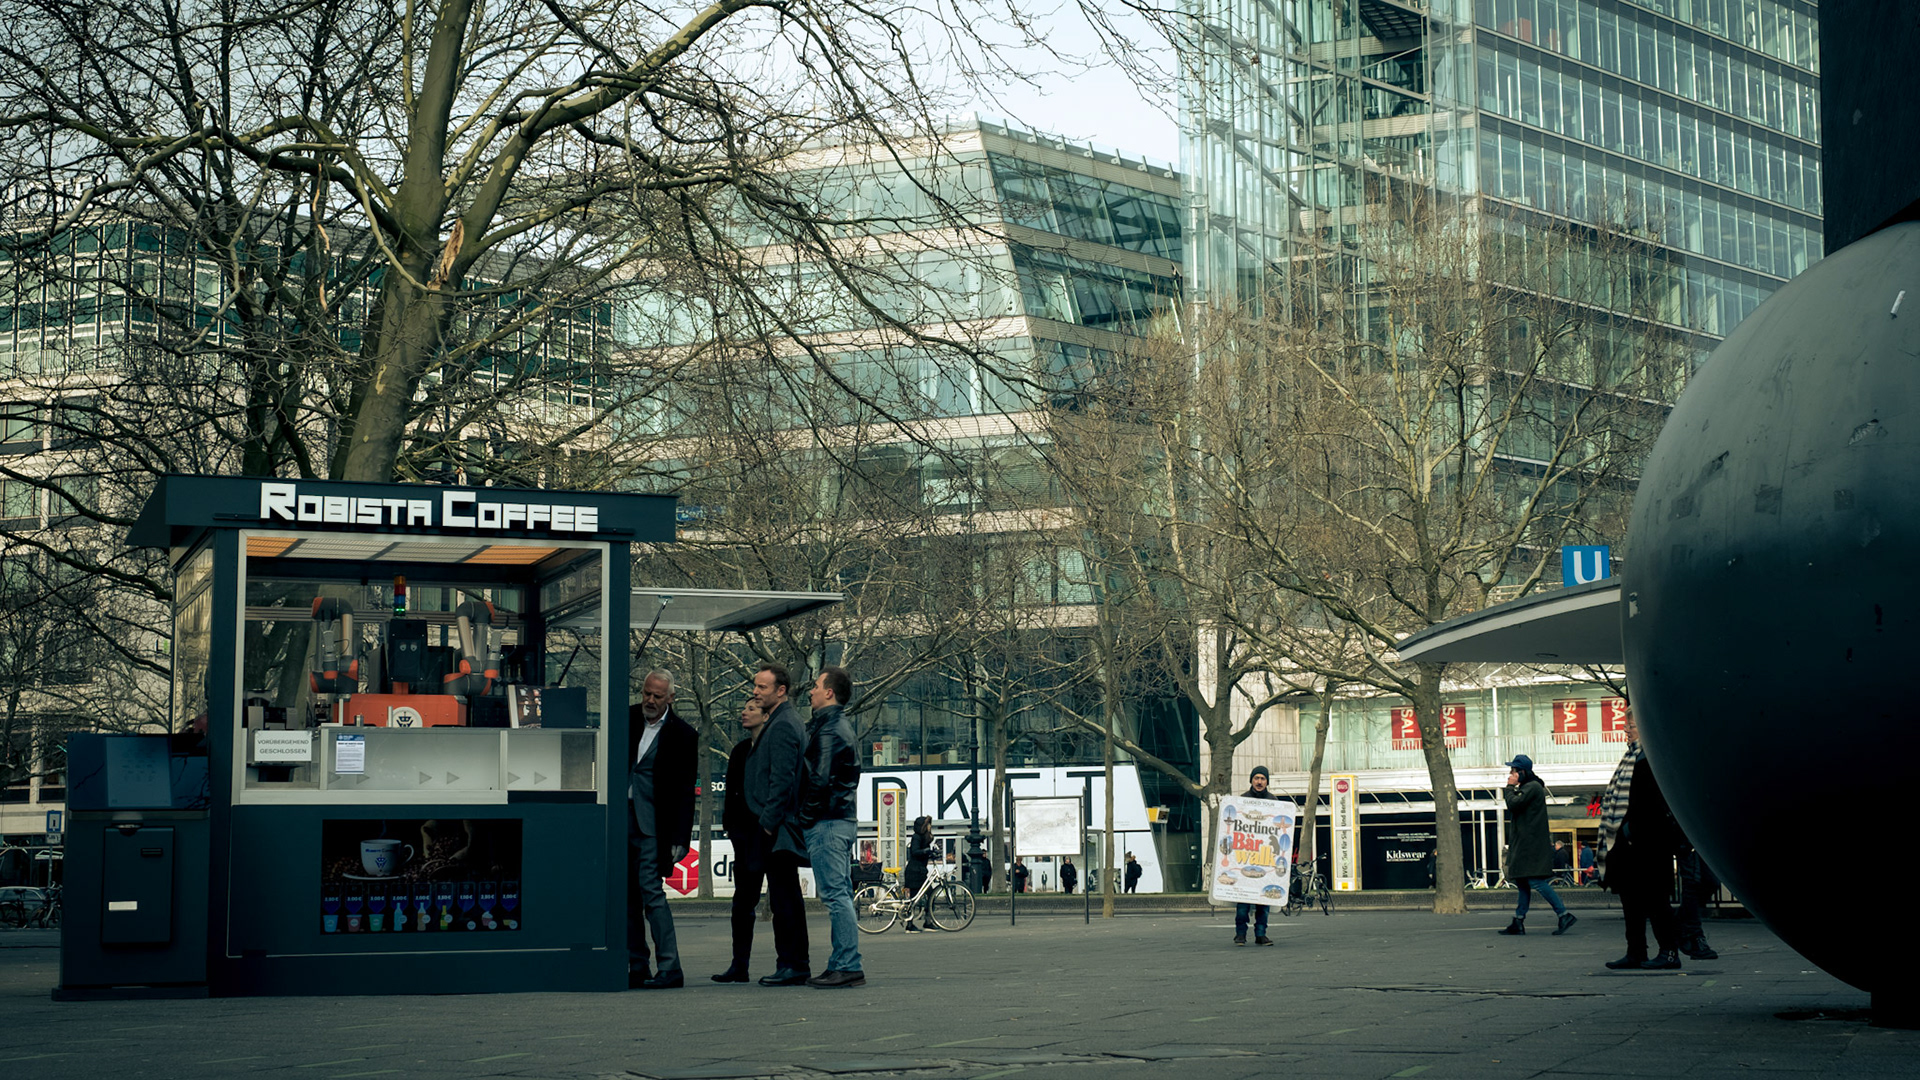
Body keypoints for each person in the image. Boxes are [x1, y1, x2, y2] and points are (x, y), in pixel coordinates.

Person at [1598, 704, 1685, 970]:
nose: (1626, 729)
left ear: (1645, 728)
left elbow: (1652, 804)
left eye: (1632, 725)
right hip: (1629, 844)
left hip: (1649, 843)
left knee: (1655, 899)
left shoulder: (1652, 759)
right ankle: (1636, 951)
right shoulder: (1633, 757)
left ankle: (1669, 952)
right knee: (1631, 898)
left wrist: (1632, 831)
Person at [626, 669, 698, 989]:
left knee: (652, 894)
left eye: (657, 696)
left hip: (654, 826)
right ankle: (636, 963)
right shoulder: (625, 718)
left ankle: (670, 967)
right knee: (625, 896)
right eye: (646, 694)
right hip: (620, 819)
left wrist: (681, 837)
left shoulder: (683, 734)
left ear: (670, 698)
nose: (650, 701)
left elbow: (685, 790)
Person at [746, 663, 812, 986]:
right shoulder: (783, 721)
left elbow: (782, 781)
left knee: (784, 898)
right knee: (784, 896)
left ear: (781, 691)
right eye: (755, 686)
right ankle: (791, 962)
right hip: (778, 824)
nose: (755, 692)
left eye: (762, 687)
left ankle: (793, 963)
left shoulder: (784, 724)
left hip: (778, 826)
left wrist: (767, 826)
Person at [798, 666, 864, 988]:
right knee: (840, 893)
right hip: (838, 818)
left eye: (816, 686)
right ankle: (841, 962)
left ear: (829, 692)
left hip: (827, 821)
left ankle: (848, 963)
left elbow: (819, 779)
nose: (810, 691)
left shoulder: (828, 730)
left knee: (836, 895)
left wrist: (806, 817)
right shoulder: (839, 727)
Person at [711, 699, 769, 983]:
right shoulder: (740, 751)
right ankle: (739, 964)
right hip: (744, 835)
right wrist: (731, 827)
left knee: (779, 899)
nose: (744, 712)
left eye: (751, 709)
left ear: (766, 716)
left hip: (767, 832)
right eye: (743, 708)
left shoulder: (772, 748)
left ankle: (790, 962)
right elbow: (732, 792)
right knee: (742, 903)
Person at [1497, 755, 1575, 936]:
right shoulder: (1530, 787)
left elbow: (1514, 804)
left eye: (1514, 771)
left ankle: (1563, 914)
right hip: (1526, 843)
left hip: (1529, 845)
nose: (1511, 774)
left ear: (1522, 772)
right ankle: (1518, 920)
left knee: (1534, 881)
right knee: (1523, 882)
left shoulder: (1531, 787)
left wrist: (1509, 787)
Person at [1235, 765, 1280, 946]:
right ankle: (1240, 934)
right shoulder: (1242, 801)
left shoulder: (1274, 801)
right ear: (1251, 780)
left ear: (1267, 781)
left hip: (1265, 858)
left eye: (1262, 778)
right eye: (1256, 778)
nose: (1259, 781)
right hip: (1245, 857)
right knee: (1243, 903)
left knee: (1264, 901)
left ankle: (1261, 934)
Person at [1676, 847, 1721, 960]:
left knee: (1709, 881)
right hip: (1687, 839)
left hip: (1698, 840)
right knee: (1693, 881)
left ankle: (1683, 923)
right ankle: (1693, 934)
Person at [902, 815, 937, 933]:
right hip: (914, 871)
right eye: (928, 824)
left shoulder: (924, 837)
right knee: (914, 898)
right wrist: (925, 851)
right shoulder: (916, 837)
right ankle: (910, 924)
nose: (930, 826)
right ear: (923, 826)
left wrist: (931, 853)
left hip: (920, 871)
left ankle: (928, 921)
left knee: (930, 894)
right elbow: (915, 851)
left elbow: (922, 852)